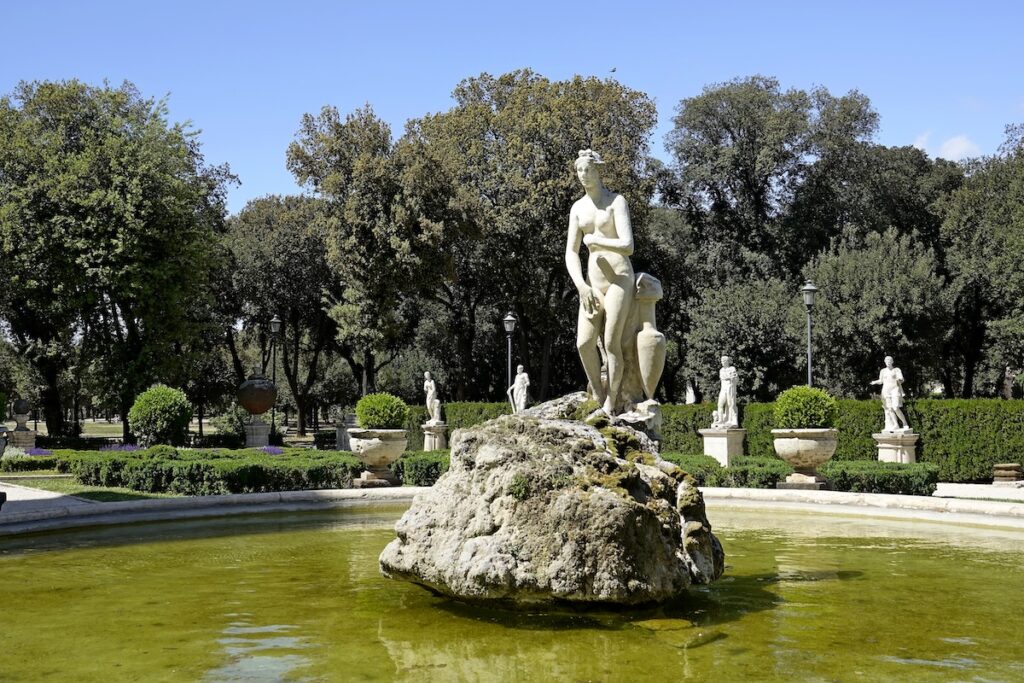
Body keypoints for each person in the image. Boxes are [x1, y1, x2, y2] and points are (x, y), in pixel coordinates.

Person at [565, 149, 635, 416]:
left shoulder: (616, 201)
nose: (584, 176)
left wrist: (598, 242)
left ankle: (612, 401)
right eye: (580, 171)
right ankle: (597, 391)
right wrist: (581, 286)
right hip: (592, 285)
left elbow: (628, 245)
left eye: (588, 170)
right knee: (584, 343)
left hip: (619, 279)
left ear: (597, 171)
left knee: (610, 342)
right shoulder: (578, 209)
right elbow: (571, 252)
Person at [870, 356, 910, 432]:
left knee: (895, 407)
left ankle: (905, 423)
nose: (888, 362)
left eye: (889, 360)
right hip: (886, 390)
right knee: (889, 408)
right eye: (886, 361)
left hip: (895, 389)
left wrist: (899, 378)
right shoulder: (883, 371)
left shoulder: (896, 370)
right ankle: (896, 424)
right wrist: (874, 382)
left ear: (892, 361)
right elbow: (881, 381)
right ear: (885, 362)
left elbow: (901, 379)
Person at [713, 356, 739, 428]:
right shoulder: (721, 370)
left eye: (724, 361)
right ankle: (720, 420)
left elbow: (736, 379)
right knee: (720, 404)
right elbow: (723, 377)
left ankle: (732, 420)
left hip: (730, 388)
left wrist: (733, 377)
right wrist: (730, 376)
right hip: (723, 389)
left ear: (727, 361)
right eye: (721, 361)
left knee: (731, 404)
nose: (722, 362)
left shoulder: (732, 368)